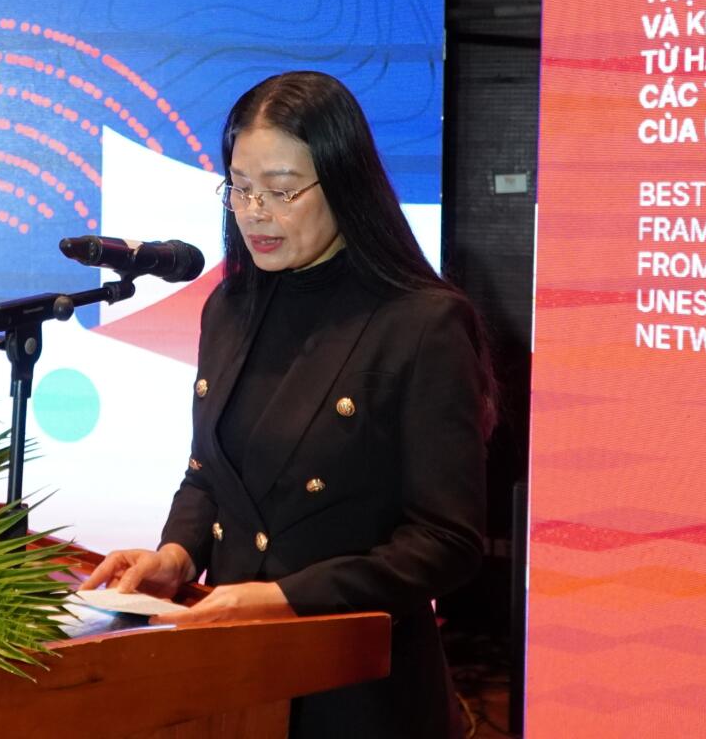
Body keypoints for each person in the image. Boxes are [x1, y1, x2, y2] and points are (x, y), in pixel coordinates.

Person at [80, 71, 492, 738]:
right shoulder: (230, 305)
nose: (254, 212)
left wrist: (282, 597)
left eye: (281, 190)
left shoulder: (421, 322)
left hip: (358, 689)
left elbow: (447, 542)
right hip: (238, 677)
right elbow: (210, 474)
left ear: (345, 183)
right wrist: (176, 556)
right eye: (240, 187)